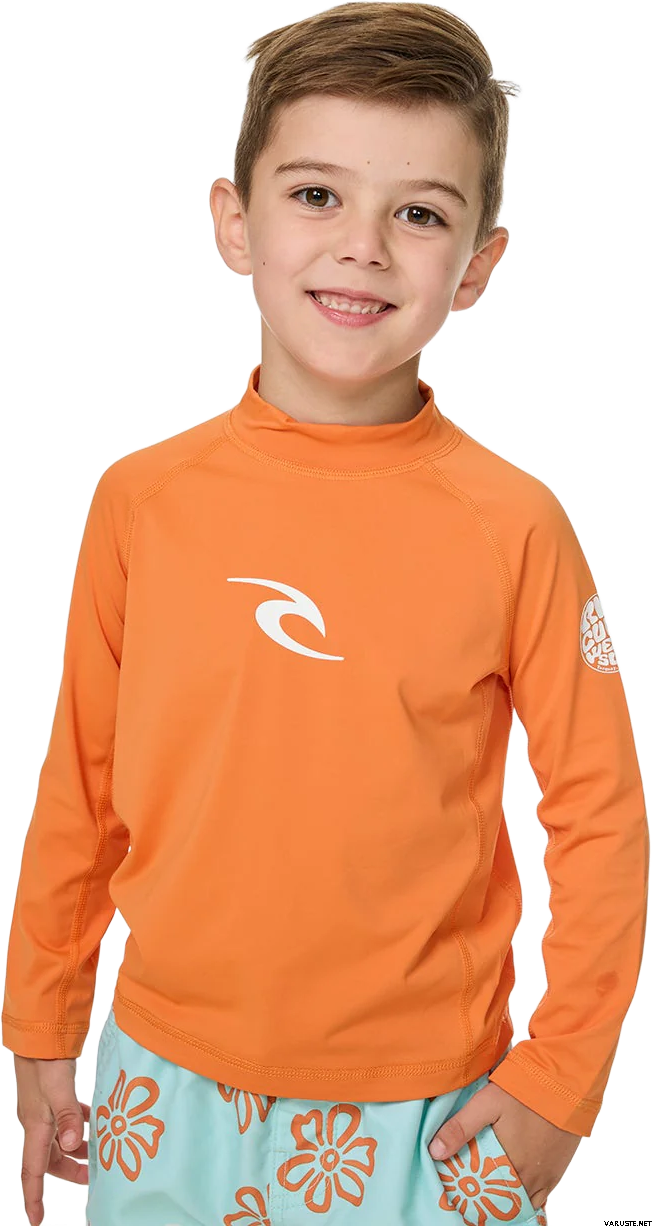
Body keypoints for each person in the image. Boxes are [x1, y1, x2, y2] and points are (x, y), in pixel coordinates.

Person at [2, 2, 649, 1224]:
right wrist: (41, 1023)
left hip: (432, 1111)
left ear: (477, 265)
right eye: (315, 195)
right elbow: (79, 780)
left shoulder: (516, 523)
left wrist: (561, 1080)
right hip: (159, 1082)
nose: (362, 247)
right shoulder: (140, 499)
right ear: (233, 221)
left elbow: (602, 817)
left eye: (418, 213)